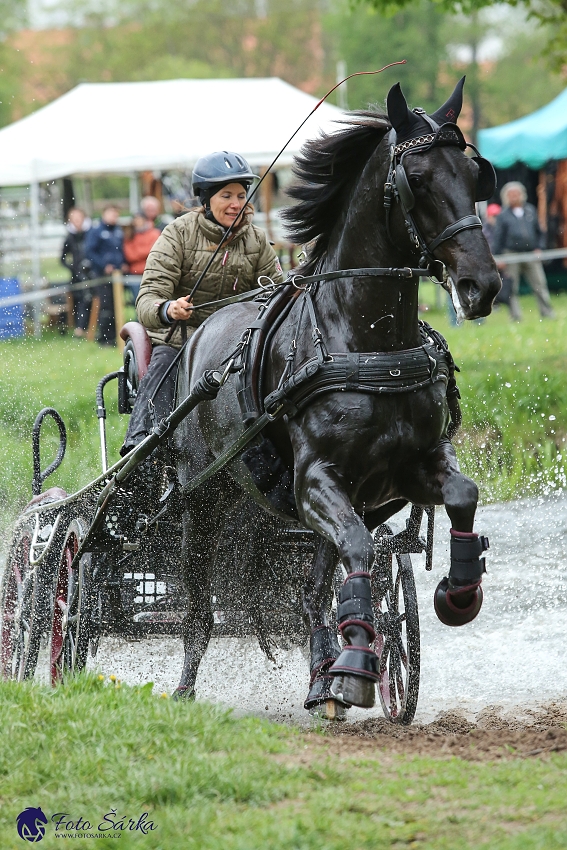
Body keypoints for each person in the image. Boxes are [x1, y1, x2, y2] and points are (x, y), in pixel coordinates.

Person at [121, 150, 284, 456]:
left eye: (240, 194)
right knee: (164, 365)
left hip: (239, 345)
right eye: (226, 196)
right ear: (206, 200)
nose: (236, 204)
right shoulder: (177, 234)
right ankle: (141, 450)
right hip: (181, 340)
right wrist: (169, 309)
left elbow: (276, 292)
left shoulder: (258, 240)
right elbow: (147, 301)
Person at [492, 182, 555, 321]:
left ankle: (547, 312)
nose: (514, 197)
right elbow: (498, 238)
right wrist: (498, 257)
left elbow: (540, 232)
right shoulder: (503, 215)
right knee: (511, 287)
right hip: (511, 254)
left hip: (530, 253)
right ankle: (515, 316)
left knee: (539, 284)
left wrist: (539, 247)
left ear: (522, 195)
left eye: (516, 194)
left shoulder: (530, 210)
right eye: (511, 195)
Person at [84, 204, 127, 345]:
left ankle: (116, 336)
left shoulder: (118, 231)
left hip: (118, 275)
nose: (114, 217)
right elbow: (90, 252)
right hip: (101, 275)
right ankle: (105, 338)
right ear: (104, 214)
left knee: (117, 305)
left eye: (116, 214)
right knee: (106, 306)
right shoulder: (96, 231)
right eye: (112, 214)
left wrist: (124, 263)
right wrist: (103, 265)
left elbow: (120, 250)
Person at [60, 207, 92, 338]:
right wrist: (73, 267)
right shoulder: (70, 237)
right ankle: (80, 327)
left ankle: (90, 327)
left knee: (92, 299)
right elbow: (62, 258)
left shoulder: (90, 234)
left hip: (92, 274)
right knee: (80, 300)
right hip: (77, 276)